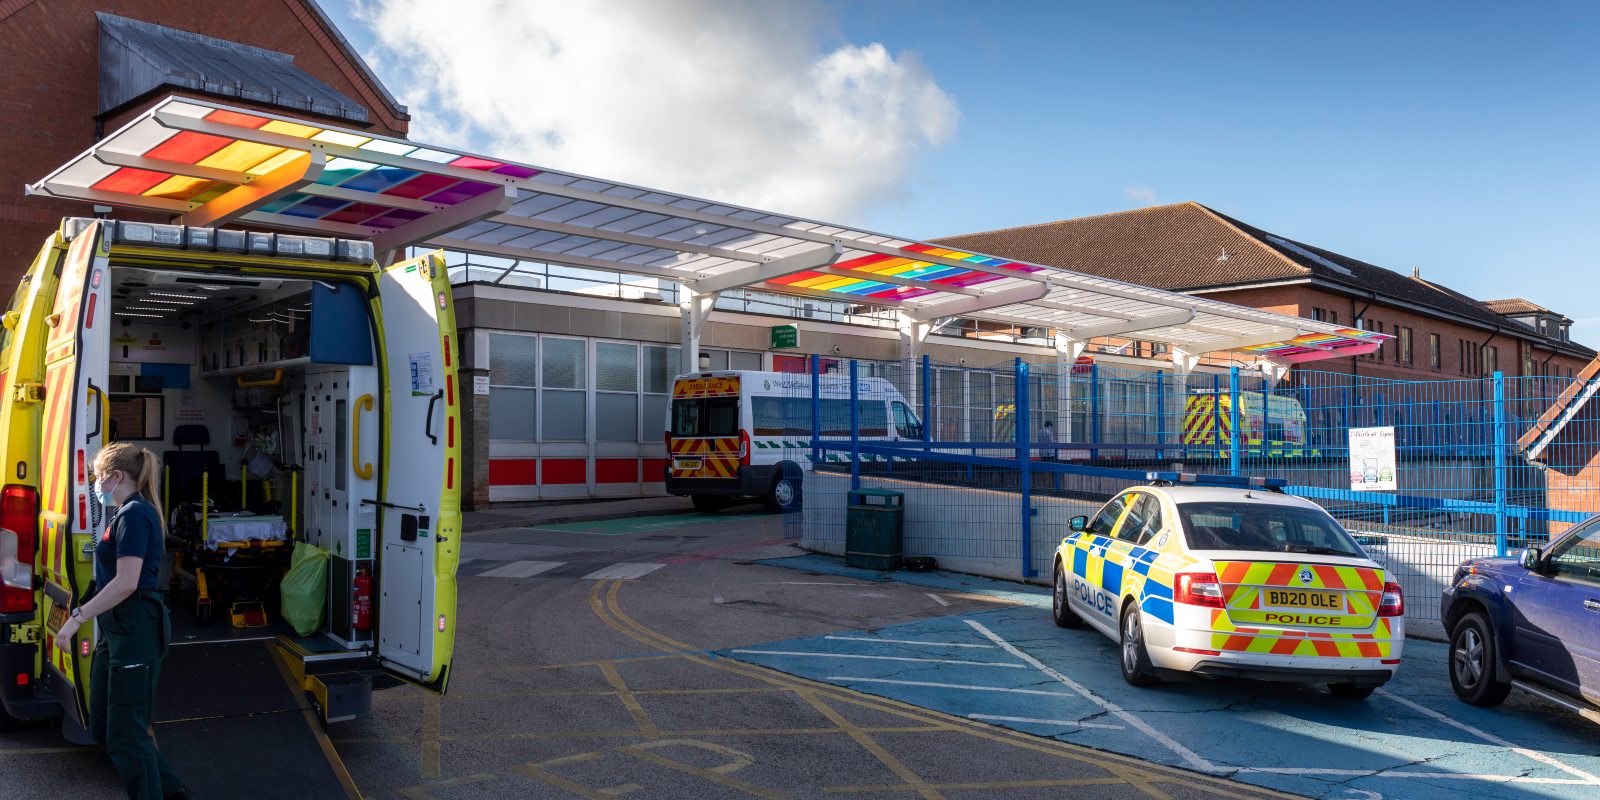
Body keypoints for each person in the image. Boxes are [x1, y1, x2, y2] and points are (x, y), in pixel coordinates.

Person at [53, 443, 188, 800]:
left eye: (98, 476)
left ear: (116, 476)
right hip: (115, 633)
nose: (95, 484)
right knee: (103, 726)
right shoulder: (121, 515)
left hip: (136, 629)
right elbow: (107, 577)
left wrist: (77, 619)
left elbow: (128, 582)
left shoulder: (134, 516)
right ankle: (174, 792)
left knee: (127, 736)